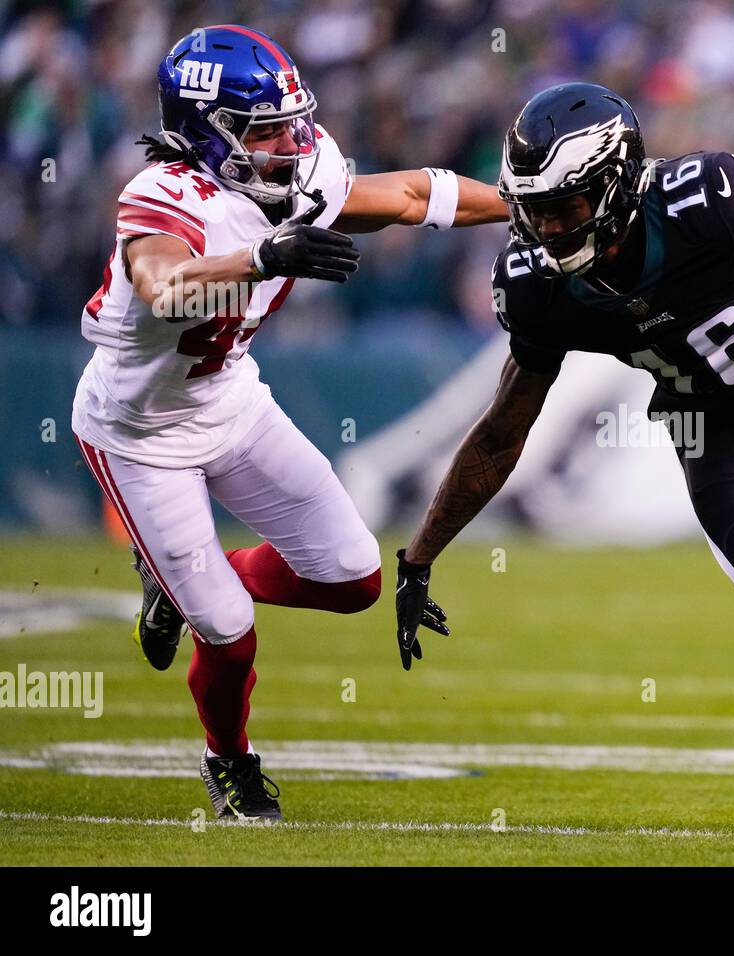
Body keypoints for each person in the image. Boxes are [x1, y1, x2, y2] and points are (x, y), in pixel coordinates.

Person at [395, 83, 734, 844]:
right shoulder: (540, 289)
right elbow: (502, 432)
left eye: (564, 207)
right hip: (713, 427)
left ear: (616, 185)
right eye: (534, 208)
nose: (545, 228)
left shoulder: (706, 197)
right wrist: (420, 557)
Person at [71, 25, 506, 821]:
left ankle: (183, 584)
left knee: (352, 579)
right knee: (230, 634)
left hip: (231, 401)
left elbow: (411, 196)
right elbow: (166, 284)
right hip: (139, 435)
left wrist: (529, 204)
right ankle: (228, 764)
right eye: (265, 128)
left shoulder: (299, 171)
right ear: (208, 132)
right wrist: (263, 258)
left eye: (292, 121)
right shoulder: (163, 194)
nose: (290, 142)